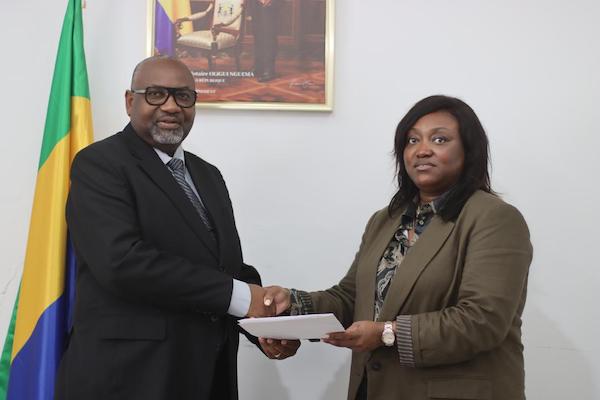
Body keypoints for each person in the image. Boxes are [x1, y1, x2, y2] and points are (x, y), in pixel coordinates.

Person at [263, 95, 533, 400]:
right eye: (412, 140)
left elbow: (482, 321)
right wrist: (292, 306)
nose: (422, 150)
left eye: (440, 139)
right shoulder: (385, 220)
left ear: (469, 150)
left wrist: (386, 333)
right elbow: (352, 299)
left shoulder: (494, 218)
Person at [55, 56, 276, 400]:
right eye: (156, 94)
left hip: (207, 377)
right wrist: (244, 299)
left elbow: (225, 268)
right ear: (130, 101)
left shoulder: (208, 175)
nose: (172, 106)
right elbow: (123, 263)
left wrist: (267, 325)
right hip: (129, 379)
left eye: (183, 96)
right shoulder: (99, 164)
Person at [251, 0, 280, 82]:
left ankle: (269, 70)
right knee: (258, 36)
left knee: (269, 36)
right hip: (256, 4)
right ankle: (258, 67)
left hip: (270, 4)